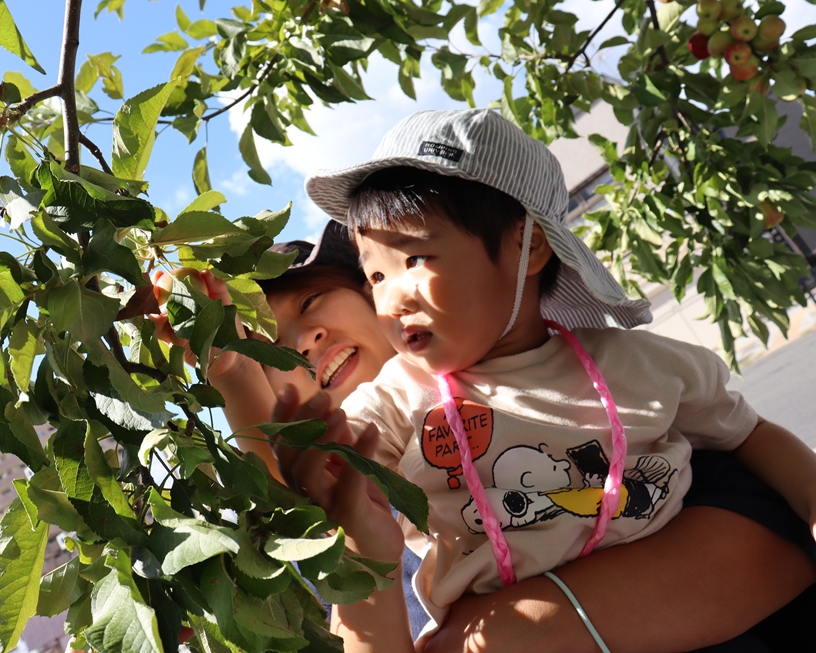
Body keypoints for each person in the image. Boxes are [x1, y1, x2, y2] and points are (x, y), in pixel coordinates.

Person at [271, 107, 816, 652]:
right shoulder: (400, 398)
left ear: (529, 246)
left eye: (415, 258)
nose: (393, 297)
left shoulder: (636, 364)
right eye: (376, 275)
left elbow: (747, 433)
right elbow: (346, 449)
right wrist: (323, 462)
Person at [153, 216, 816, 652]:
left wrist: (513, 630)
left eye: (310, 301)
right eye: (272, 346)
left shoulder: (572, 388)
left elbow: (761, 537)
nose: (304, 340)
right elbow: (298, 481)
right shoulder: (366, 524)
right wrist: (231, 371)